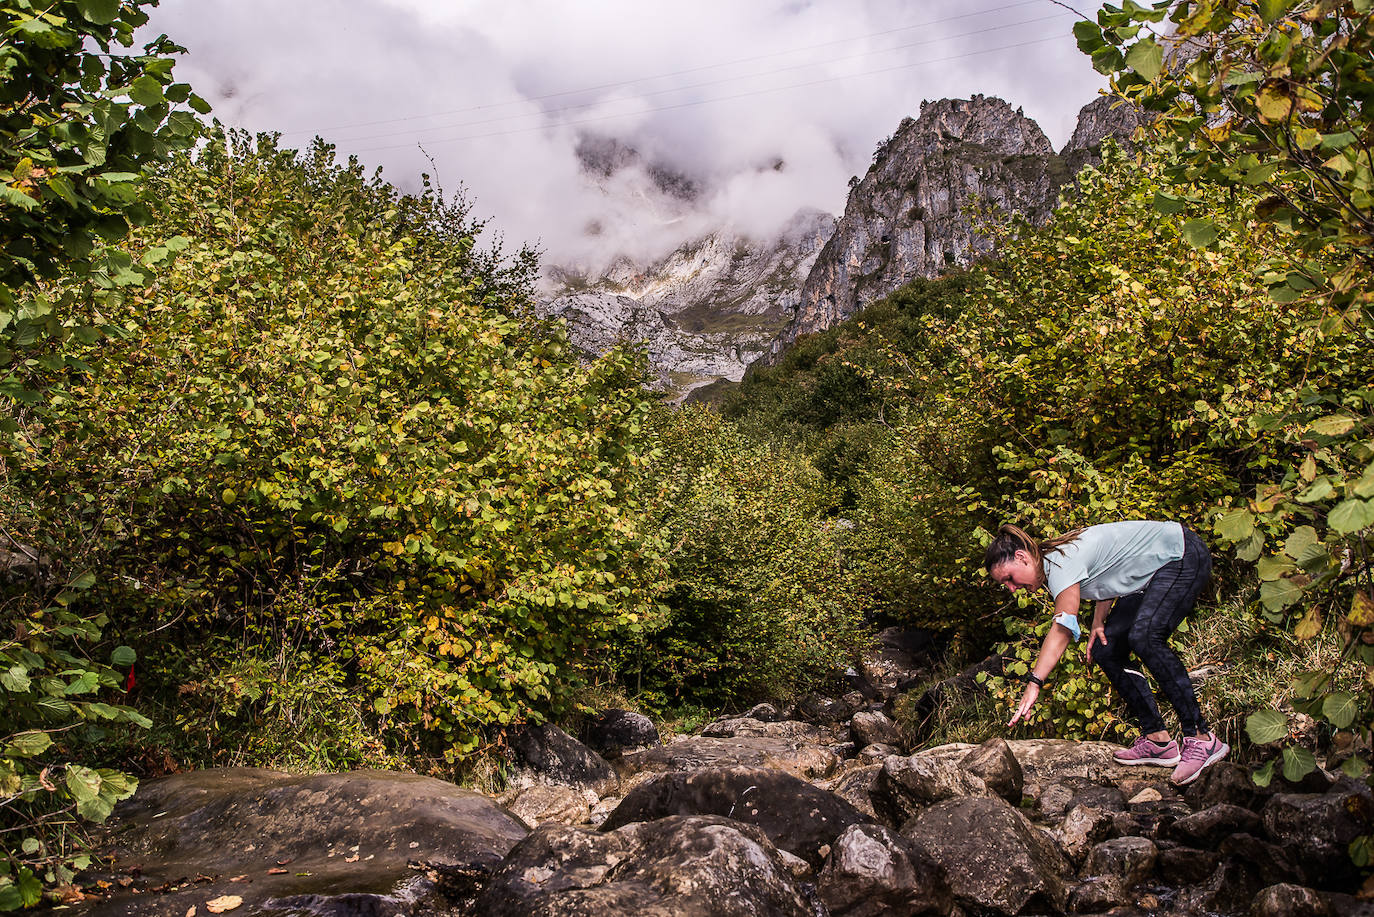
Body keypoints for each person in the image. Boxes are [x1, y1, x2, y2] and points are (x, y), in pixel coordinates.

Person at [984, 520, 1227, 786]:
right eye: (1004, 584)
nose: (1011, 588)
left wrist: (1035, 683)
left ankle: (1202, 739)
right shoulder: (1054, 561)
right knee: (1106, 649)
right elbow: (1110, 570)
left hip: (1181, 554)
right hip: (1150, 575)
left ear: (1022, 557)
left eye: (1008, 578)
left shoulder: (1060, 565)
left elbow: (1062, 629)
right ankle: (1158, 740)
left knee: (1145, 636)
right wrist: (1099, 621)